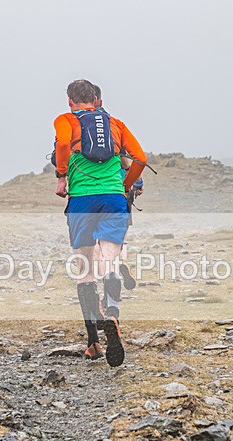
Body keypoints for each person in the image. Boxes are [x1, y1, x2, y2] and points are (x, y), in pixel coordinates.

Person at [53, 79, 146, 367]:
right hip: (113, 201)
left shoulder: (65, 120)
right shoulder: (115, 124)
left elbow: (65, 143)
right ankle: (113, 315)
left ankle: (93, 342)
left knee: (85, 270)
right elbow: (140, 158)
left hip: (82, 201)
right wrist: (125, 186)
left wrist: (61, 175)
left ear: (70, 101)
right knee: (109, 261)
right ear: (96, 99)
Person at [91, 83, 140, 291]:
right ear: (100, 101)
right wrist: (135, 184)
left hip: (90, 192)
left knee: (96, 242)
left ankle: (104, 276)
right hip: (120, 191)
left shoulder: (80, 126)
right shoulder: (115, 125)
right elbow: (132, 158)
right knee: (120, 236)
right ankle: (122, 263)